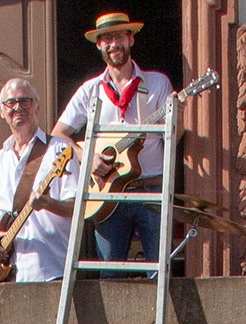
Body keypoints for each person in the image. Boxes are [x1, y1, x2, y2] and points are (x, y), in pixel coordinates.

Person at [54, 12, 173, 266]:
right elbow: (58, 134)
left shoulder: (157, 83)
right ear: (99, 45)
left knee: (159, 271)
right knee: (109, 273)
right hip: (108, 195)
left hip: (151, 190)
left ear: (131, 39)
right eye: (106, 39)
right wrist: (87, 157)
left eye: (119, 36)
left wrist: (178, 117)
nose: (113, 44)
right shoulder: (90, 90)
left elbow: (175, 134)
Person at [0, 79, 74, 283]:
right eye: (10, 103)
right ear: (2, 111)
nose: (18, 107)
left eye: (25, 101)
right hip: (4, 275)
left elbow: (77, 206)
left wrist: (48, 203)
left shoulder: (60, 150)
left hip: (49, 268)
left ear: (37, 106)